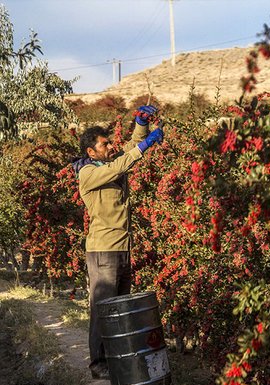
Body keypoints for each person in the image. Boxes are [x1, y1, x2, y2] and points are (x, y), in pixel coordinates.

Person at [72, 105, 164, 380]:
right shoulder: (88, 173)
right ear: (91, 152)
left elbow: (129, 148)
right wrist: (146, 146)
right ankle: (98, 363)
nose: (111, 146)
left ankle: (117, 358)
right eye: (105, 144)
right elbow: (124, 161)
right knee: (103, 309)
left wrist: (141, 124)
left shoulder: (107, 162)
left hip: (122, 247)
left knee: (120, 309)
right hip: (103, 251)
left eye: (110, 142)